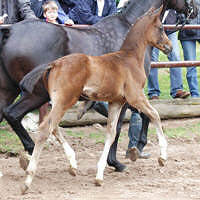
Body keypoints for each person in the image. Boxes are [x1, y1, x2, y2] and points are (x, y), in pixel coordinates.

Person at [148, 10, 190, 100]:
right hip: (154, 26)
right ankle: (153, 92)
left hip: (170, 26)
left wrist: (180, 15)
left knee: (175, 56)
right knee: (153, 58)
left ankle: (177, 90)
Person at [178, 0, 200, 98]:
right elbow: (177, 10)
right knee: (191, 66)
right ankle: (195, 95)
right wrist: (184, 20)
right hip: (187, 33)